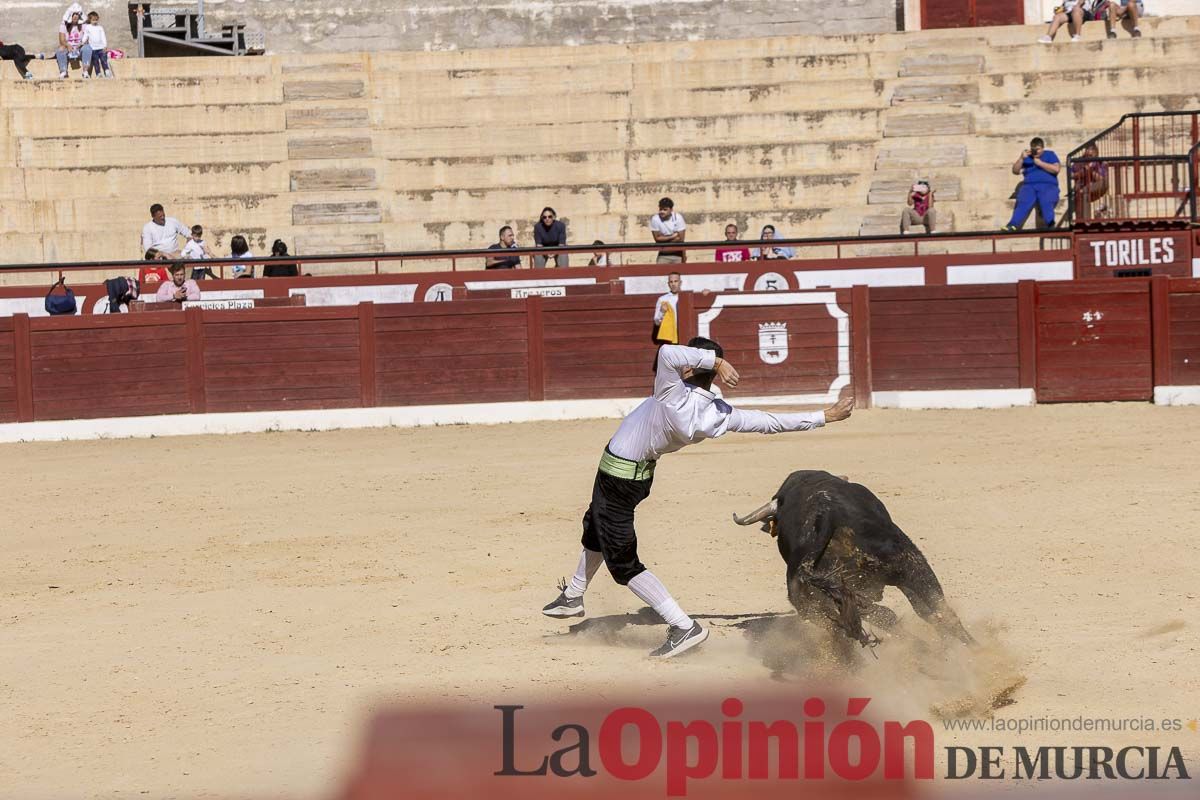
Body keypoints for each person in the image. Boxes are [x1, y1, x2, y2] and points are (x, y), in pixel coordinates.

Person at [541, 337, 855, 659]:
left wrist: (717, 363)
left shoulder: (671, 393)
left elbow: (666, 352)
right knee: (596, 524)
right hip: (631, 477)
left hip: (620, 479)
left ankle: (683, 627)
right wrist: (825, 415)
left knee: (623, 563)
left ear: (691, 365)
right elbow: (769, 421)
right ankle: (574, 594)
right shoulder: (718, 413)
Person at [1003, 136, 1061, 232]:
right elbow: (1015, 171)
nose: (1036, 152)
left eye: (1038, 149)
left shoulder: (1050, 155)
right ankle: (1012, 224)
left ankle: (1050, 223)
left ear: (1042, 148)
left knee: (1046, 198)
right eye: (1033, 149)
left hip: (1047, 185)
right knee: (1023, 200)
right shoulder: (1028, 158)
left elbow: (1056, 169)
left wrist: (1040, 163)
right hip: (1029, 185)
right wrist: (1021, 159)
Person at [1071, 143, 1109, 219]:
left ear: (1096, 153)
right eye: (1087, 153)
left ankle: (1084, 190)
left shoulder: (1100, 163)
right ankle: (1086, 220)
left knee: (1105, 182)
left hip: (1096, 188)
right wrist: (1083, 171)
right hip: (1083, 187)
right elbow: (1071, 175)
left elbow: (1101, 179)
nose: (1089, 156)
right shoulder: (1078, 162)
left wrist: (1091, 171)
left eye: (1092, 154)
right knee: (1084, 192)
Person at [650, 197, 687, 264]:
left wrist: (663, 239)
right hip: (663, 253)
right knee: (660, 273)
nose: (662, 212)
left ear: (671, 210)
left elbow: (681, 239)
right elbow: (657, 239)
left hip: (678, 253)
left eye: (665, 209)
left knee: (679, 273)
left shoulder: (678, 217)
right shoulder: (655, 219)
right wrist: (673, 236)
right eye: (660, 209)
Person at [56, 4, 85, 79]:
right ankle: (63, 71)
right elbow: (62, 40)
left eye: (77, 14)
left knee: (87, 48)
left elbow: (87, 38)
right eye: (73, 14)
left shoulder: (83, 25)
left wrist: (81, 44)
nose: (75, 16)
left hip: (80, 47)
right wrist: (68, 45)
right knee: (60, 49)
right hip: (69, 47)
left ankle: (86, 72)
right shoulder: (64, 25)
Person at [81, 11, 112, 78]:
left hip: (101, 48)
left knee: (104, 59)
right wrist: (82, 41)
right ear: (90, 20)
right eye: (93, 20)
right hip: (93, 48)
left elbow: (103, 37)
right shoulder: (88, 27)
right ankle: (98, 73)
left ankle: (107, 71)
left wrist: (105, 45)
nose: (95, 22)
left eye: (96, 20)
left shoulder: (100, 27)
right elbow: (86, 35)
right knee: (95, 61)